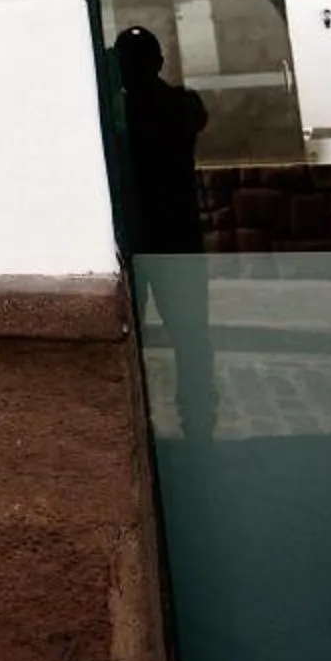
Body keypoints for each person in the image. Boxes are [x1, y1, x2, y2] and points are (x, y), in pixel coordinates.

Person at [113, 26, 217, 440]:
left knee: (172, 333)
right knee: (190, 334)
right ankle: (197, 414)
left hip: (150, 239)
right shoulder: (180, 104)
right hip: (170, 238)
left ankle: (179, 414)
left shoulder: (126, 115)